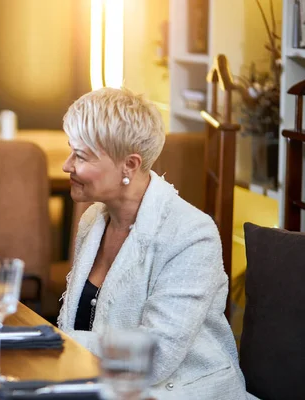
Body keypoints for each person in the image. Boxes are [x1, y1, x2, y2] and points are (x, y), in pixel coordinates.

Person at [57, 88, 250, 399]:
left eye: (80, 155)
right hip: (102, 387)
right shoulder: (93, 220)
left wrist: (56, 341)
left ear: (130, 165)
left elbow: (154, 357)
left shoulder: (192, 234)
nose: (67, 165)